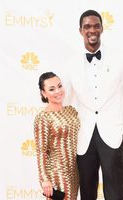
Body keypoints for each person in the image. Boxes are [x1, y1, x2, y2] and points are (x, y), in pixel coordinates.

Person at [61, 10, 123, 200]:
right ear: (80, 31)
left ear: (102, 28)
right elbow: (65, 105)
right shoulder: (70, 64)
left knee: (116, 195)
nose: (92, 30)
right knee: (87, 194)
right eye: (87, 26)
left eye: (96, 26)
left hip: (112, 135)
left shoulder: (121, 58)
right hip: (83, 138)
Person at [34, 72, 80, 200]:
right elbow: (41, 151)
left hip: (74, 172)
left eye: (59, 86)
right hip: (56, 174)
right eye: (51, 89)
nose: (58, 91)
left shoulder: (72, 111)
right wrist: (44, 179)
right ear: (44, 93)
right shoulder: (43, 118)